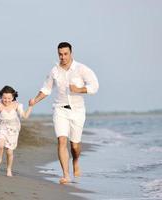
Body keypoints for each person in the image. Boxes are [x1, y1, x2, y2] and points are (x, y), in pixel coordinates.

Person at [29, 42, 99, 184]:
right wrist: (34, 101)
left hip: (78, 111)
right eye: (60, 54)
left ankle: (76, 161)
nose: (63, 57)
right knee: (61, 140)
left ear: (71, 53)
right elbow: (46, 89)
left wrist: (79, 90)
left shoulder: (81, 69)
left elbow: (95, 86)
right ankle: (66, 175)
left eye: (65, 54)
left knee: (75, 145)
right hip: (60, 109)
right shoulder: (54, 71)